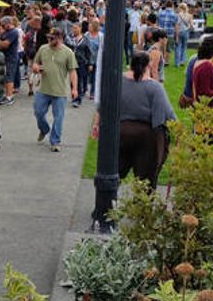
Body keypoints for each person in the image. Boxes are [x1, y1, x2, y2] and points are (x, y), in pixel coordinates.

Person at [91, 52, 176, 188]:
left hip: (120, 133)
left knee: (113, 173)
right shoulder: (154, 87)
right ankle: (142, 208)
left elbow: (103, 106)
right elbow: (165, 115)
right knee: (146, 182)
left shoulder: (117, 82)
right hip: (147, 138)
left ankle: (106, 204)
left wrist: (96, 124)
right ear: (148, 65)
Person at [32, 28, 78, 152]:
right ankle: (44, 129)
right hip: (43, 89)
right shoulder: (43, 49)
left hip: (60, 91)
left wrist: (74, 89)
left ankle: (55, 141)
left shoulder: (68, 52)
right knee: (38, 112)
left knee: (59, 117)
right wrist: (36, 68)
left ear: (60, 38)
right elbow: (35, 63)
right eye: (48, 37)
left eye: (52, 38)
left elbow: (73, 71)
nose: (49, 40)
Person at [0, 17, 20, 106]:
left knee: (9, 77)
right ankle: (6, 95)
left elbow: (5, 44)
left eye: (3, 24)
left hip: (11, 57)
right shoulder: (6, 32)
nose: (2, 26)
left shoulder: (13, 32)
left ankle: (10, 96)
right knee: (5, 77)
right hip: (5, 57)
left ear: (8, 23)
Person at [70, 24, 92, 107]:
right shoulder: (71, 39)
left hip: (81, 62)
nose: (74, 30)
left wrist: (90, 63)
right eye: (73, 28)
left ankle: (78, 99)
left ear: (80, 28)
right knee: (72, 81)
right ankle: (74, 96)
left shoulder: (85, 40)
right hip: (72, 62)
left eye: (76, 28)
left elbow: (89, 53)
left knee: (79, 81)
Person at [84, 21, 103, 101]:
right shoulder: (86, 35)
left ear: (94, 27)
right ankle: (84, 89)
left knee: (94, 76)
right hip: (86, 58)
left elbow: (101, 48)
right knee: (85, 75)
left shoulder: (100, 36)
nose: (88, 27)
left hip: (96, 59)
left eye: (90, 26)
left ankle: (92, 93)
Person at [157, 0, 178, 65]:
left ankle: (160, 60)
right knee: (168, 49)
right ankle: (166, 62)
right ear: (172, 5)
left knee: (160, 47)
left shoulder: (160, 13)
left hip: (161, 32)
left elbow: (157, 23)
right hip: (170, 33)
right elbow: (176, 26)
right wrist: (177, 36)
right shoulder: (174, 14)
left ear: (165, 5)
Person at [175, 3, 193, 67]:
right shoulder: (190, 15)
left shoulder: (178, 15)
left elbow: (177, 25)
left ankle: (177, 62)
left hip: (179, 32)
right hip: (186, 32)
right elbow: (191, 26)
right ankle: (182, 61)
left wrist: (176, 36)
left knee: (178, 47)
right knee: (184, 47)